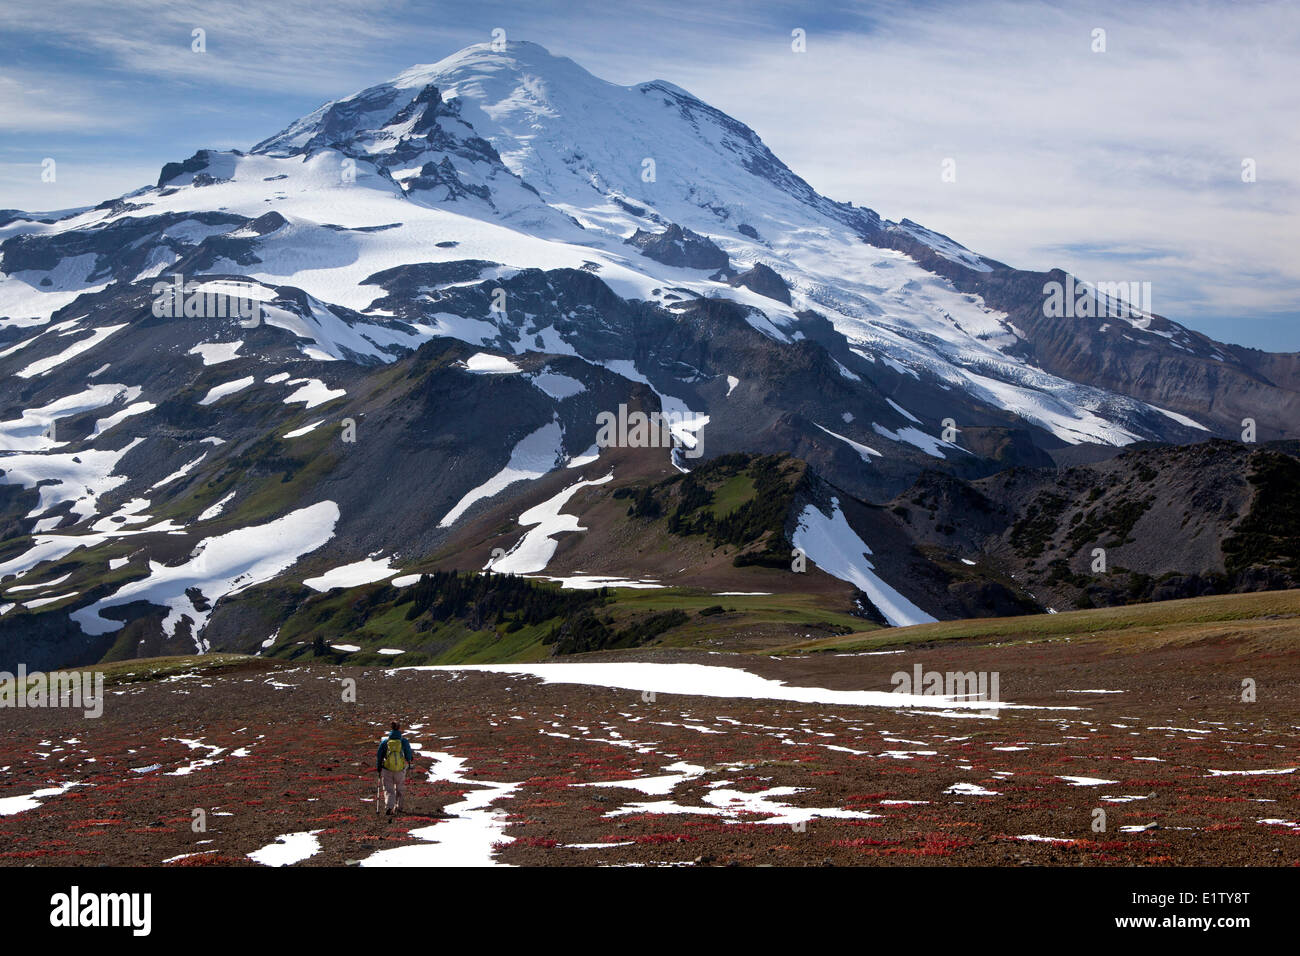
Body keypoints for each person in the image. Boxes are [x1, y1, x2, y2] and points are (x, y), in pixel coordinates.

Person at [376, 721, 414, 816]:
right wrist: (409, 760)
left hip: (387, 769)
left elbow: (379, 755)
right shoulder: (403, 741)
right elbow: (408, 755)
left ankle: (389, 807)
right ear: (399, 729)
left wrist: (379, 767)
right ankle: (399, 807)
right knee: (400, 788)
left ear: (391, 729)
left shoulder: (385, 742)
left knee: (389, 789)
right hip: (400, 770)